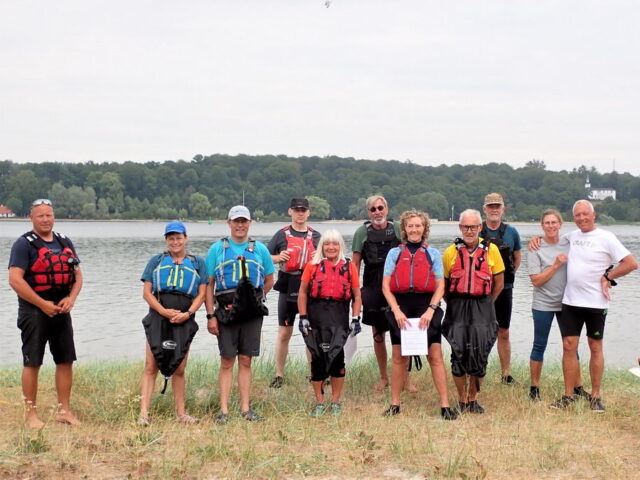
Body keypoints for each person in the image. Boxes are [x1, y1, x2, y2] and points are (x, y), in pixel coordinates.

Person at [548, 200, 637, 412]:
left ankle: (596, 396)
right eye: (577, 215)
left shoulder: (607, 237)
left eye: (585, 214)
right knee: (569, 346)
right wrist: (535, 240)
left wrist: (609, 275)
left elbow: (631, 263)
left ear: (593, 214)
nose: (581, 218)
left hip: (596, 303)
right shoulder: (572, 237)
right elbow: (550, 240)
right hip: (571, 301)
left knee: (595, 346)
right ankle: (568, 395)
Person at [8, 199, 83, 429]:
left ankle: (64, 411)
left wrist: (71, 298)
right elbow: (15, 280)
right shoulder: (23, 245)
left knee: (65, 360)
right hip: (34, 311)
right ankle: (31, 415)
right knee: (33, 362)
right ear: (31, 217)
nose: (45, 219)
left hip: (61, 309)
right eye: (40, 216)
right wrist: (42, 304)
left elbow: (78, 276)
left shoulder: (64, 241)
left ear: (54, 216)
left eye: (48, 215)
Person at [381, 210, 458, 420]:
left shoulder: (432, 254)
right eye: (410, 226)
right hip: (401, 308)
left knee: (435, 356)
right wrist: (396, 311)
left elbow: (441, 285)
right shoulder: (395, 253)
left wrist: (431, 310)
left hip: (427, 307)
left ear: (424, 228)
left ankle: (445, 405)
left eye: (418, 226)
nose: (414, 230)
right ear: (404, 229)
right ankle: (394, 404)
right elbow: (386, 286)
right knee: (399, 357)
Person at [205, 205, 275, 423]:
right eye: (236, 221)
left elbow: (269, 280)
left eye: (244, 221)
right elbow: (208, 285)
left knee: (246, 360)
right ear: (229, 223)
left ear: (250, 223)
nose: (240, 225)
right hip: (225, 312)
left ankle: (246, 408)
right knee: (227, 360)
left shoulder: (260, 249)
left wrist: (253, 300)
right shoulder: (217, 249)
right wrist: (210, 315)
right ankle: (224, 410)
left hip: (251, 314)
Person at [138, 222, 208, 425]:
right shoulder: (156, 261)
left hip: (184, 318)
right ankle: (144, 413)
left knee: (179, 368)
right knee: (151, 365)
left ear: (186, 238)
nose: (175, 242)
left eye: (178, 237)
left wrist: (188, 313)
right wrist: (162, 311)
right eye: (171, 238)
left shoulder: (197, 263)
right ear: (166, 240)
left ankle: (181, 413)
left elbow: (202, 294)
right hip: (159, 316)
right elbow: (147, 293)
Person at [352, 195, 417, 392]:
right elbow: (354, 264)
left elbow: (412, 252)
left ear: (387, 209)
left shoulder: (398, 228)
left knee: (404, 333)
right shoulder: (361, 233)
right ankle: (384, 377)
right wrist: (354, 293)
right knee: (378, 334)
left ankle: (406, 378)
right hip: (372, 287)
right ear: (368, 212)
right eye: (373, 209)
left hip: (399, 287)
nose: (377, 212)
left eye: (380, 208)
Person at [442, 209, 505, 414]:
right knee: (458, 354)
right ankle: (461, 399)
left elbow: (499, 283)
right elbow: (443, 285)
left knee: (480, 353)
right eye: (465, 227)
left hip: (483, 306)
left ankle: (473, 398)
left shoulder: (492, 250)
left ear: (480, 228)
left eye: (474, 227)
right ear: (460, 228)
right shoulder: (451, 252)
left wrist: (487, 303)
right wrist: (453, 303)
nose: (469, 231)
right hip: (457, 307)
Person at [297, 229, 362, 417]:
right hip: (316, 316)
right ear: (322, 247)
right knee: (317, 359)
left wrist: (355, 318)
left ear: (340, 246)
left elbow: (357, 296)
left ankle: (335, 401)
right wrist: (303, 317)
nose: (331, 247)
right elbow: (302, 292)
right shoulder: (312, 266)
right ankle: (319, 401)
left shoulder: (349, 267)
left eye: (334, 244)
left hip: (339, 316)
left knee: (337, 359)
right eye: (327, 244)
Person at [526, 210, 587, 401]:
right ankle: (534, 388)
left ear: (560, 224)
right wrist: (555, 265)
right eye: (547, 223)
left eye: (554, 222)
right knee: (539, 345)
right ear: (542, 226)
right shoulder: (535, 247)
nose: (551, 226)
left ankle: (578, 387)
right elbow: (536, 281)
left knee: (571, 347)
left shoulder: (569, 243)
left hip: (568, 303)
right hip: (543, 303)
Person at [268, 198, 321, 388]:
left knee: (311, 332)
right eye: (297, 210)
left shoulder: (316, 236)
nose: (300, 213)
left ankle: (313, 372)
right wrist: (277, 257)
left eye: (303, 210)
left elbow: (328, 261)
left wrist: (319, 258)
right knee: (284, 332)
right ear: (290, 211)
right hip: (287, 285)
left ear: (308, 213)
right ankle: (279, 374)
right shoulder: (281, 235)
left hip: (309, 287)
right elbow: (266, 258)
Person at [481, 193, 521, 385]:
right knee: (480, 330)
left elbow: (517, 258)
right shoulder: (477, 230)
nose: (494, 209)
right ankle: (479, 368)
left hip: (505, 288)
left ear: (503, 208)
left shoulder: (512, 232)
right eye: (491, 206)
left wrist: (504, 277)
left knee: (503, 331)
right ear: (485, 209)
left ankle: (506, 374)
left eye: (497, 206)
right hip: (481, 289)